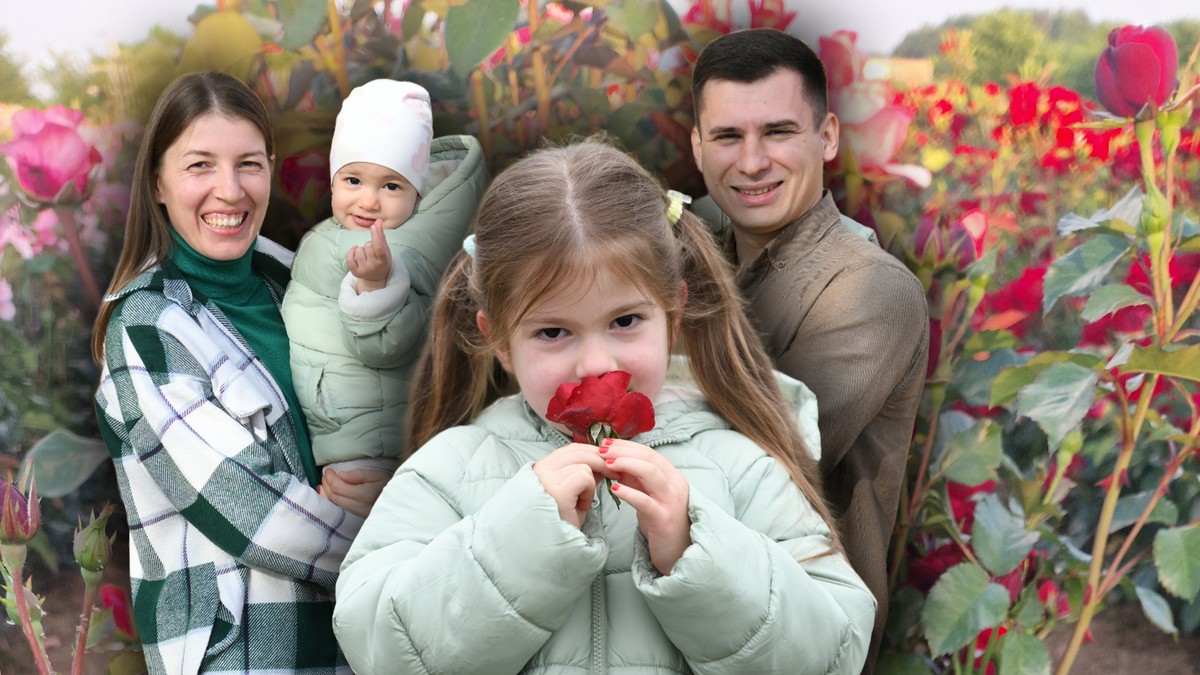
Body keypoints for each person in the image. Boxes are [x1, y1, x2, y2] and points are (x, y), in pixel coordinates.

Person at [332, 137, 876, 674]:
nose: (595, 364)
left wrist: (697, 551)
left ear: (673, 316)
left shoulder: (743, 468)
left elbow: (835, 651)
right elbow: (377, 644)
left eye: (625, 321)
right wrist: (519, 543)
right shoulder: (450, 470)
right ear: (499, 340)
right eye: (553, 331)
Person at [92, 71, 366, 674]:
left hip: (354, 637)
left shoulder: (302, 287)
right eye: (200, 166)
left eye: (248, 164)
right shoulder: (148, 329)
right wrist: (402, 540)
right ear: (158, 183)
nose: (230, 190)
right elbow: (251, 510)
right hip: (249, 651)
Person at [688, 28, 930, 673]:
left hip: (796, 640)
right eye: (728, 136)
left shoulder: (867, 289)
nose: (752, 162)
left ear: (827, 137)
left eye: (778, 132)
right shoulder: (691, 252)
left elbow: (759, 458)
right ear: (698, 146)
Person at [282, 79, 488, 513]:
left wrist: (377, 286)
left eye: (391, 186)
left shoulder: (396, 252)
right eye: (353, 179)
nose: (369, 201)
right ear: (333, 179)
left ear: (418, 192)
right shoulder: (350, 235)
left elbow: (388, 344)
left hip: (369, 447)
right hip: (344, 432)